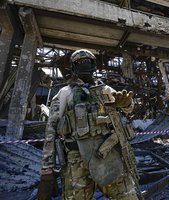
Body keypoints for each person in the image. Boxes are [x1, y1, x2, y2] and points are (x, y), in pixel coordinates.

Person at [38, 49, 141, 200]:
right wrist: (47, 167)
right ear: (73, 68)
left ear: (94, 65)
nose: (84, 65)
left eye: (88, 61)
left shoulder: (105, 90)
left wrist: (126, 104)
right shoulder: (65, 92)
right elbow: (51, 130)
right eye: (80, 62)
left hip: (108, 154)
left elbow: (127, 107)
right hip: (76, 160)